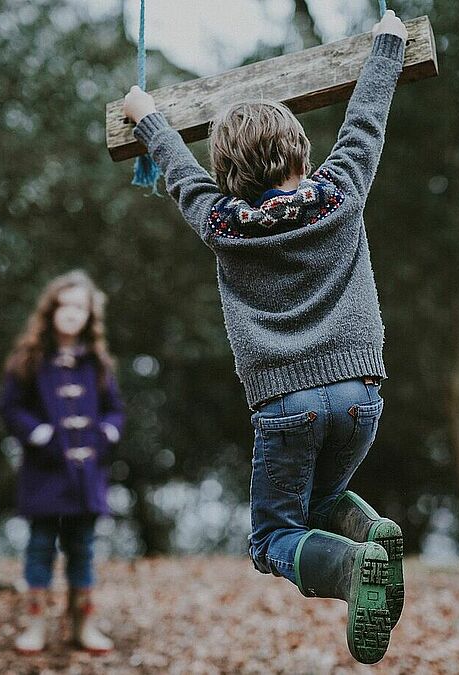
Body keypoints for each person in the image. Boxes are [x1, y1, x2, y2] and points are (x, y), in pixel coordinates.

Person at [122, 11, 409, 664]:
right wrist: (387, 40)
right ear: (303, 150)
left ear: (231, 173)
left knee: (273, 536)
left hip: (286, 404)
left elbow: (177, 170)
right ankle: (374, 533)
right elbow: (367, 118)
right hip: (361, 394)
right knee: (324, 500)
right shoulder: (341, 193)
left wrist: (147, 115)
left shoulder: (222, 221)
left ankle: (352, 568)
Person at [0, 270, 125, 655]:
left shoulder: (98, 363)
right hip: (45, 475)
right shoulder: (29, 359)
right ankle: (35, 625)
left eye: (80, 307)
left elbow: (115, 410)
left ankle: (83, 625)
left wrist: (106, 434)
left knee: (83, 548)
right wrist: (40, 435)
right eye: (64, 305)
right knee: (40, 547)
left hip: (87, 477)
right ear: (50, 311)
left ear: (90, 316)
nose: (71, 314)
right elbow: (9, 407)